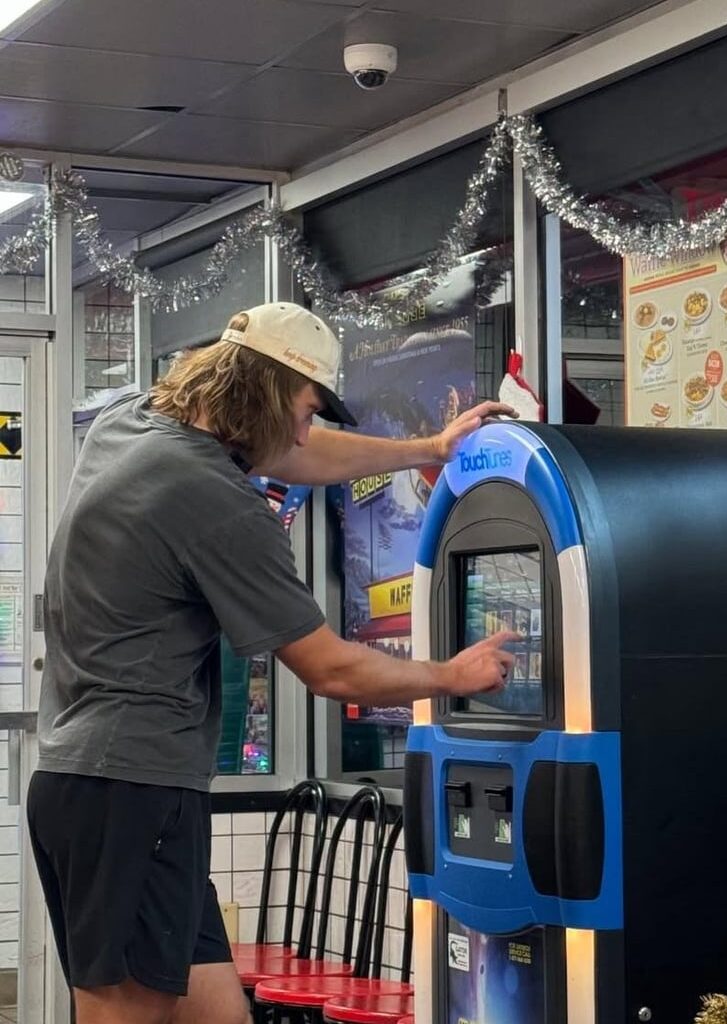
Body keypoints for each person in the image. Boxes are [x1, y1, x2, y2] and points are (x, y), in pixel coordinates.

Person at [28, 302, 518, 1024]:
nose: (303, 428)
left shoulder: (131, 422)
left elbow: (299, 454)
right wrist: (451, 676)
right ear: (263, 395)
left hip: (98, 780)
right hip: (129, 790)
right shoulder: (215, 501)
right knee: (122, 1015)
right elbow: (331, 671)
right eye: (305, 407)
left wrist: (430, 449)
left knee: (219, 1014)